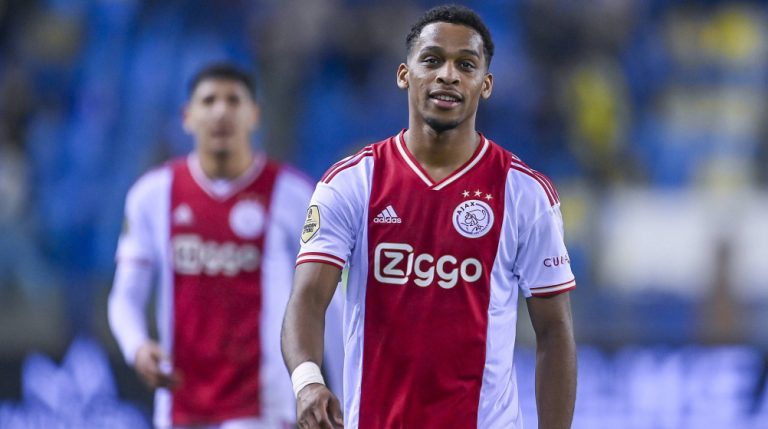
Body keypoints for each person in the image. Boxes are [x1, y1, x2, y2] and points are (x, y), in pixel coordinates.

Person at [281, 5, 577, 429]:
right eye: (432, 60)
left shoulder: (525, 195)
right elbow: (308, 297)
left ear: (486, 84)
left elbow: (554, 331)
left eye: (466, 65)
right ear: (405, 75)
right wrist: (308, 382)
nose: (448, 75)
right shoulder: (351, 183)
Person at [109, 63, 342, 429]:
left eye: (233, 101)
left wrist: (342, 390)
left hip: (263, 407)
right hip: (180, 404)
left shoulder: (294, 195)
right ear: (187, 117)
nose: (221, 111)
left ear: (255, 116)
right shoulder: (152, 194)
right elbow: (124, 296)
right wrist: (136, 346)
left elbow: (327, 301)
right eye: (209, 101)